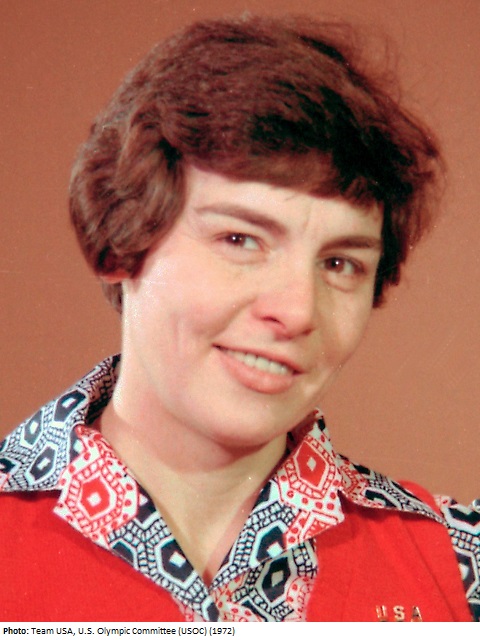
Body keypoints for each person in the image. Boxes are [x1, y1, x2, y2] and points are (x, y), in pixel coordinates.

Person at [1, 14, 478, 623]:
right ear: (120, 241)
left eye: (339, 263)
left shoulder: (460, 567)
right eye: (240, 240)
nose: (297, 311)